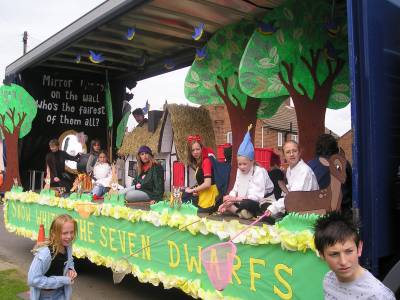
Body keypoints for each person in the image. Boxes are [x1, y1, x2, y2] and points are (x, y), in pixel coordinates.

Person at [314, 212, 395, 299]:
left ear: (359, 248)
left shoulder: (377, 295)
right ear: (321, 254)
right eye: (334, 254)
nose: (343, 261)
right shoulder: (328, 280)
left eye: (349, 251)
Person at [218, 129, 274, 219]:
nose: (242, 167)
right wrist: (228, 201)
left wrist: (234, 200)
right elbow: (235, 189)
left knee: (247, 203)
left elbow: (256, 197)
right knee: (222, 198)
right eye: (240, 164)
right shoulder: (238, 171)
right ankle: (241, 212)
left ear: (252, 162)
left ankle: (238, 211)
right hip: (243, 199)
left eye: (245, 164)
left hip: (261, 201)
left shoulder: (259, 171)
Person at [28, 214, 78, 300]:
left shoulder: (67, 245)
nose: (69, 236)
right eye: (65, 233)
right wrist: (63, 280)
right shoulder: (45, 254)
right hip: (44, 296)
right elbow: (33, 280)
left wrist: (71, 269)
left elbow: (70, 260)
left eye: (72, 232)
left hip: (61, 294)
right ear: (54, 233)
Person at [265, 140, 319, 218]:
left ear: (299, 152)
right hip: (297, 208)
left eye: (294, 151)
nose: (291, 154)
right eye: (288, 152)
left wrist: (274, 207)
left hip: (308, 213)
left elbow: (294, 197)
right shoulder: (290, 170)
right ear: (284, 155)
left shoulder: (304, 171)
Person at [308, 134, 353, 215]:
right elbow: (352, 188)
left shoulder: (310, 166)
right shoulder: (344, 163)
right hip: (343, 213)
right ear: (335, 148)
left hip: (319, 214)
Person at [184, 135, 219, 211]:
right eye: (193, 150)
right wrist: (195, 190)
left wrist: (193, 190)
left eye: (198, 149)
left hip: (210, 198)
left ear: (202, 149)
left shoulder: (206, 161)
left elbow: (207, 184)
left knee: (185, 202)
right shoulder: (199, 162)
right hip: (204, 195)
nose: (195, 152)